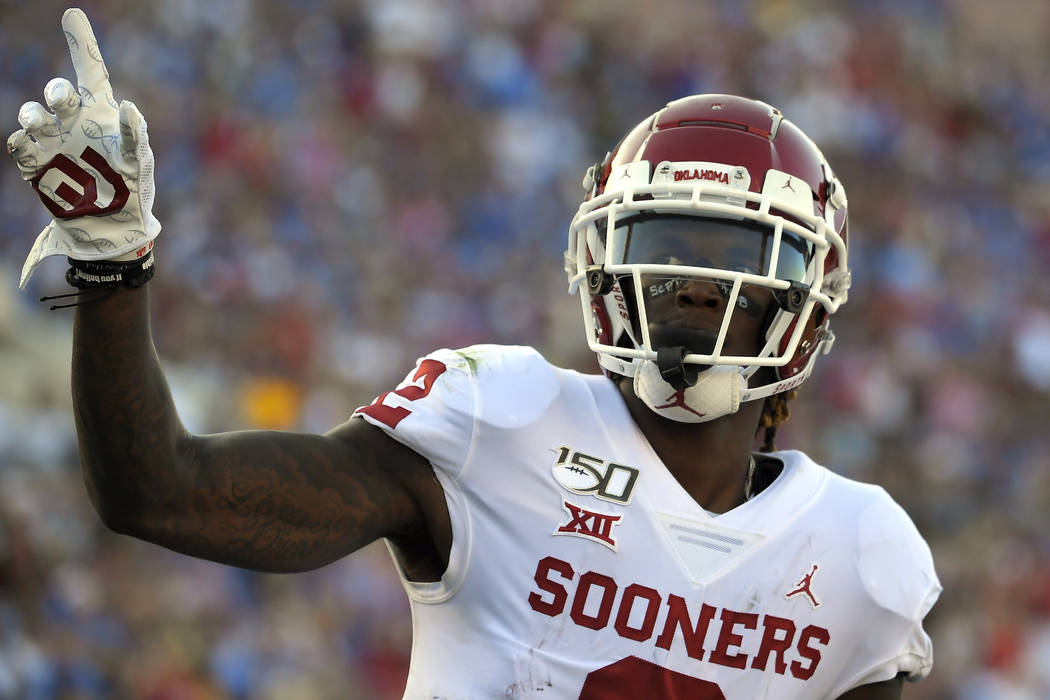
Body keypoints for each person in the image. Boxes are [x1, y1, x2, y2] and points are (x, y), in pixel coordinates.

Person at [8, 9, 940, 699]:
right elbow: (158, 491)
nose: (692, 285)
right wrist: (112, 264)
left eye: (732, 256)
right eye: (664, 248)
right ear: (603, 263)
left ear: (808, 304)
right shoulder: (503, 421)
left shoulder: (861, 556)